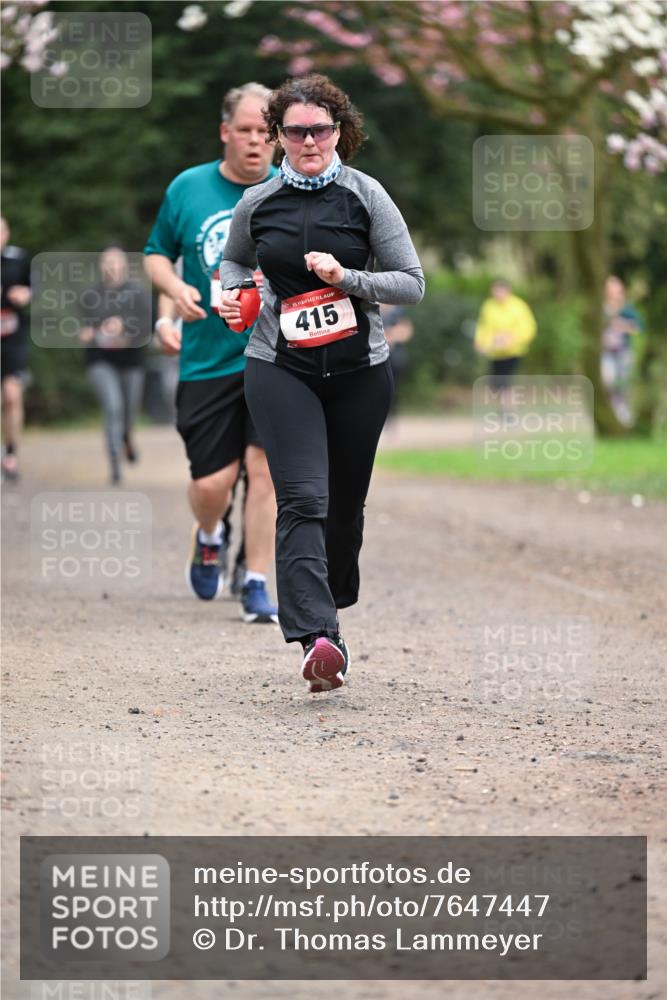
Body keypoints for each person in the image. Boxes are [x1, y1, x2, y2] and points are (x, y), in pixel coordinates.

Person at [218, 74, 425, 692]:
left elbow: (411, 282)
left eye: (322, 129)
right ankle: (319, 637)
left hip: (360, 372)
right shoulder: (259, 202)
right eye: (296, 131)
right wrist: (238, 292)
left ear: (340, 132)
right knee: (303, 498)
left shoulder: (366, 196)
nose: (310, 141)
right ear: (279, 136)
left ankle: (330, 608)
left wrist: (348, 279)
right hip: (281, 368)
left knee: (342, 507)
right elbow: (234, 260)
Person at [144, 82, 279, 623]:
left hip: (275, 358)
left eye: (265, 133)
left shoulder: (294, 190)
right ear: (225, 132)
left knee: (265, 469)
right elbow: (156, 255)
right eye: (244, 131)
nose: (254, 142)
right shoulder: (188, 188)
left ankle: (256, 581)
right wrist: (174, 295)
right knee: (211, 483)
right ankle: (209, 534)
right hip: (206, 359)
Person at [80, 245, 151, 485]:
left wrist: (124, 326)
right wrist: (87, 332)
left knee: (128, 412)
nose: (112, 267)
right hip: (100, 359)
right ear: (101, 266)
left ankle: (127, 437)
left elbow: (147, 327)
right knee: (113, 407)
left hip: (131, 360)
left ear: (124, 265)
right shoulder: (91, 294)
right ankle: (114, 466)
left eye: (116, 262)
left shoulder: (138, 292)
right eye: (107, 263)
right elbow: (82, 325)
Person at [1, 216, 32, 481]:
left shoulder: (19, 259)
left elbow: (36, 286)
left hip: (12, 337)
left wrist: (26, 294)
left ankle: (10, 453)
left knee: (12, 395)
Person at [474, 278, 537, 408]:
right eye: (495, 290)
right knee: (496, 384)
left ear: (507, 290)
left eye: (500, 290)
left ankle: (509, 410)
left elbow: (528, 328)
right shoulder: (488, 306)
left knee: (506, 381)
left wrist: (510, 339)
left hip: (513, 352)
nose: (497, 293)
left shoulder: (518, 306)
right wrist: (480, 342)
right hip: (495, 352)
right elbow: (483, 326)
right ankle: (505, 408)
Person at [601, 275, 642, 426]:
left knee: (623, 383)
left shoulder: (626, 308)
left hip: (623, 351)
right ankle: (612, 410)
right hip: (606, 351)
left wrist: (622, 325)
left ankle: (624, 415)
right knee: (608, 380)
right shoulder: (601, 307)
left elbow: (637, 327)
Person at [380, 303, 414, 422]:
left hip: (395, 359)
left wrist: (388, 336)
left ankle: (390, 418)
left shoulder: (398, 309)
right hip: (375, 359)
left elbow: (406, 331)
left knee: (393, 391)